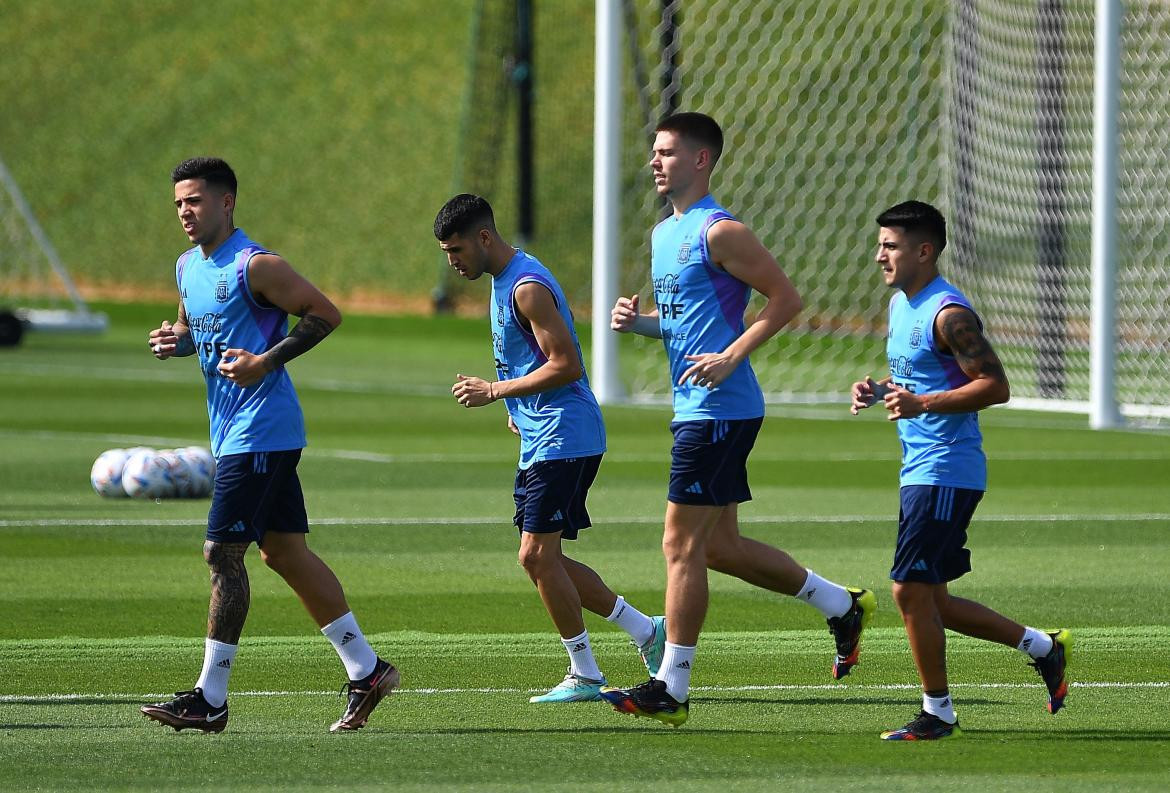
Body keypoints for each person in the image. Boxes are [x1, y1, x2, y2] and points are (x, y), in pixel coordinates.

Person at [603, 112, 875, 727]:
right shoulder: (662, 234)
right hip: (696, 406)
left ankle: (671, 685)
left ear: (701, 161)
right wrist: (641, 324)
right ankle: (840, 604)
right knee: (718, 547)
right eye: (654, 152)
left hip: (720, 410)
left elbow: (787, 299)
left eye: (668, 152)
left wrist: (732, 356)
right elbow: (689, 325)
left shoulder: (722, 231)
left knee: (679, 544)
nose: (655, 161)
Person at [140, 157, 397, 733]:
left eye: (196, 201)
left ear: (227, 203)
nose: (185, 211)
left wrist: (265, 361)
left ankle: (211, 698)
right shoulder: (187, 267)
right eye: (179, 202)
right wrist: (176, 342)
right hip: (234, 432)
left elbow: (324, 314)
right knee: (283, 552)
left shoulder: (256, 265)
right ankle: (367, 668)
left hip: (262, 430)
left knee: (220, 553)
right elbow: (194, 331)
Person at [850, 199, 1072, 740]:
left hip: (946, 470)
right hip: (920, 469)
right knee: (935, 602)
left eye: (891, 246)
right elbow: (923, 375)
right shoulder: (905, 305)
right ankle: (1043, 647)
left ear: (924, 251)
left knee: (907, 591)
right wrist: (881, 389)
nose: (880, 255)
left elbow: (995, 386)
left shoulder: (949, 314)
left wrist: (922, 405)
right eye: (880, 244)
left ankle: (938, 712)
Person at [435, 193, 667, 703]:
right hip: (545, 434)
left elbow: (566, 365)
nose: (452, 262)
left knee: (535, 555)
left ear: (484, 237)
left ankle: (585, 672)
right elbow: (530, 360)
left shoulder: (526, 287)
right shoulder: (504, 282)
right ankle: (648, 632)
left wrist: (495, 391)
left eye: (456, 250)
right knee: (545, 558)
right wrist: (516, 410)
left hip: (566, 434)